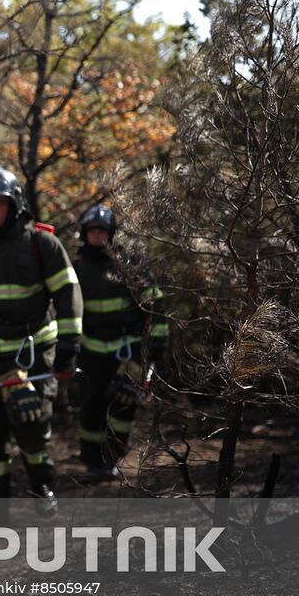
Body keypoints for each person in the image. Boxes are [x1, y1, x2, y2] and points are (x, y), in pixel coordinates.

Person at [0, 166, 81, 515]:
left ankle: (41, 488)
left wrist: (69, 348)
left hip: (32, 350)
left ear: (14, 204)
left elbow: (68, 294)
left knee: (32, 425)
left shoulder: (42, 244)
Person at [73, 204, 168, 481]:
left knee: (123, 405)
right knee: (91, 406)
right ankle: (93, 462)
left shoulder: (131, 266)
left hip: (126, 351)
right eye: (93, 230)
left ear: (111, 234)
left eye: (103, 230)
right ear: (84, 233)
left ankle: (112, 457)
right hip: (90, 351)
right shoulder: (76, 268)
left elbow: (156, 306)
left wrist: (156, 348)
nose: (98, 235)